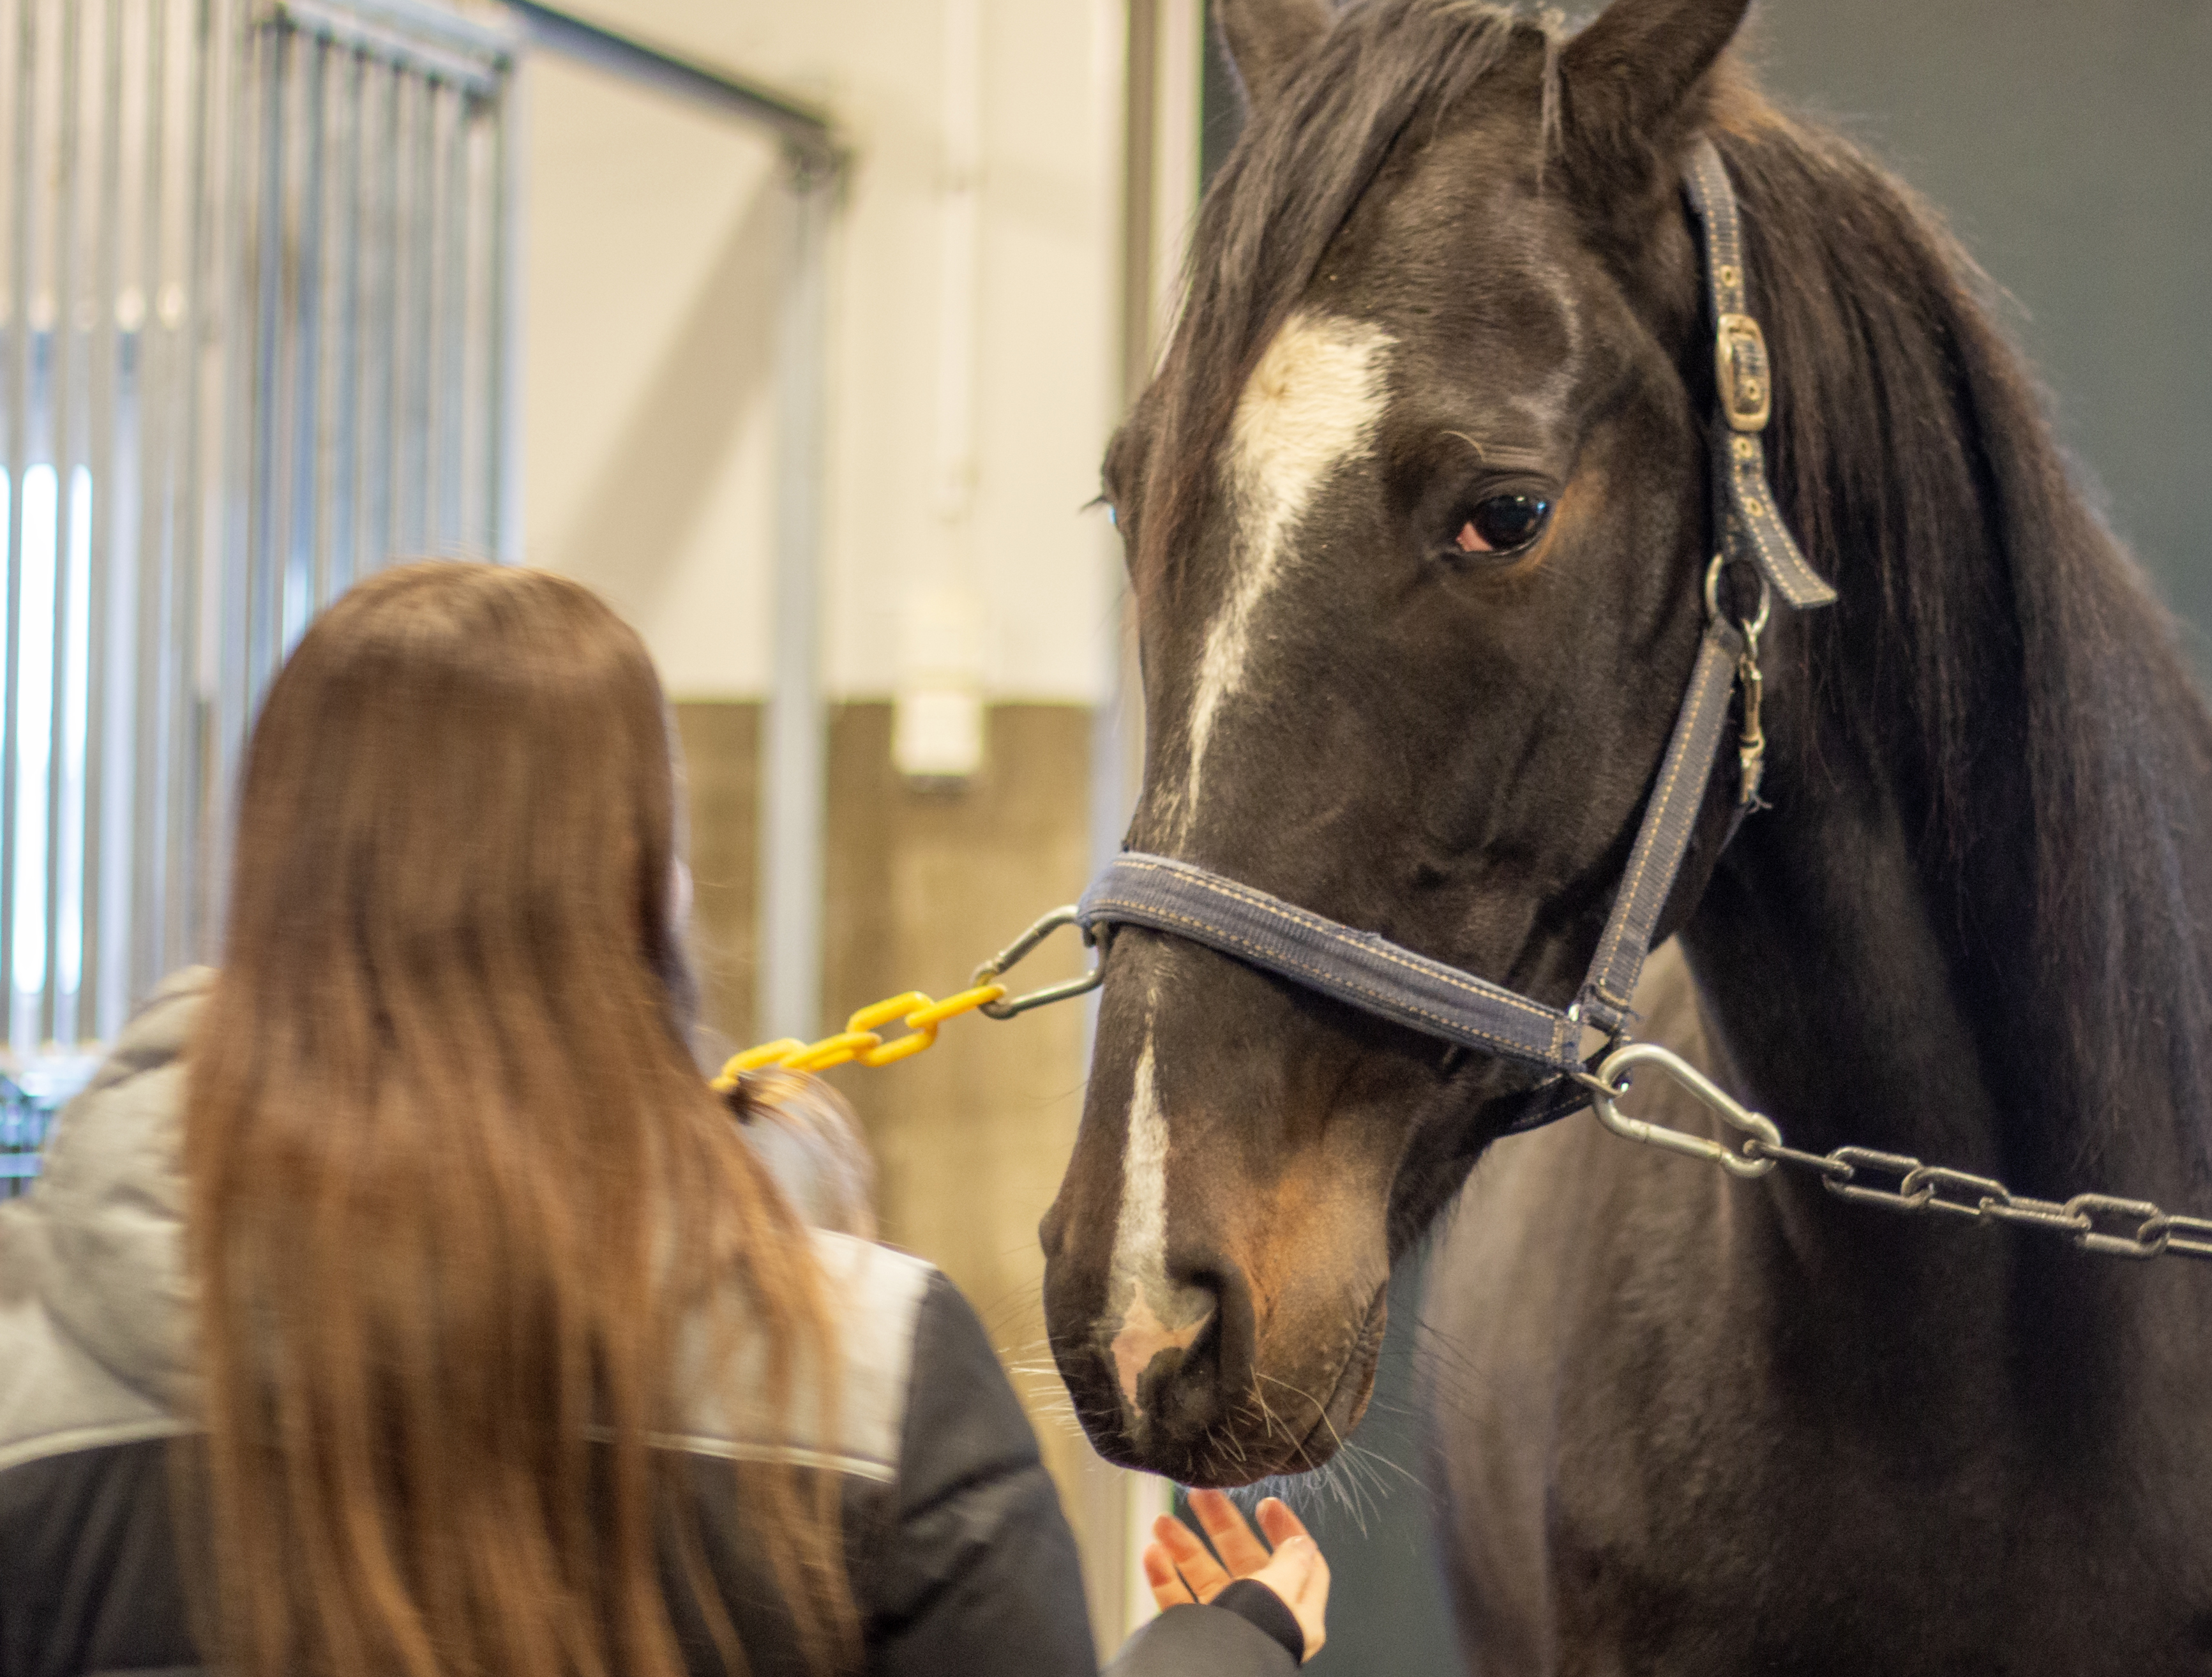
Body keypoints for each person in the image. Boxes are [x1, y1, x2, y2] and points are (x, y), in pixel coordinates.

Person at [0, 562, 1329, 1676]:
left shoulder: (29, 1383)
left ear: (267, 871)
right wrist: (1226, 1645)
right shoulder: (871, 1378)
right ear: (650, 892)